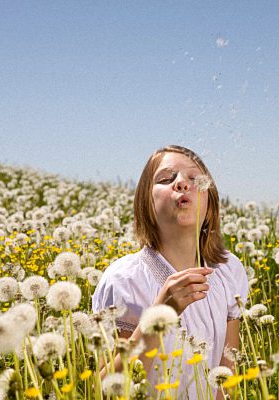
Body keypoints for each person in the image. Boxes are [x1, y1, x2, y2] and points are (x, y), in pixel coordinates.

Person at [92, 145, 249, 399]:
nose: (181, 183)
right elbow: (104, 388)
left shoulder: (228, 270)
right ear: (146, 204)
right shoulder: (123, 280)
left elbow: (226, 375)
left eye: (195, 179)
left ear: (210, 206)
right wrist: (159, 317)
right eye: (166, 179)